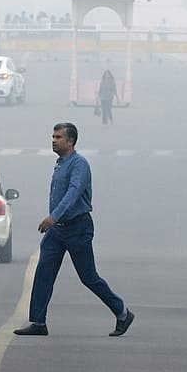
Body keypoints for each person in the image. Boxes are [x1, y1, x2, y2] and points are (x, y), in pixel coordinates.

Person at [14, 122, 134, 337]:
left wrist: (53, 217)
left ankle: (122, 312)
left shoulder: (79, 164)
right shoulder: (60, 163)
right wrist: (54, 221)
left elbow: (73, 192)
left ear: (70, 141)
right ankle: (38, 322)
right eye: (53, 136)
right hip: (57, 231)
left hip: (77, 227)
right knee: (43, 274)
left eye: (58, 137)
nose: (53, 140)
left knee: (89, 277)